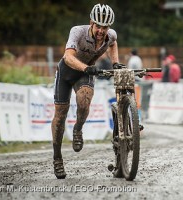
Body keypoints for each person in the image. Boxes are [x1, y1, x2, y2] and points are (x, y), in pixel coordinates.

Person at [51, 4, 122, 179]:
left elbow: (113, 44)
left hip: (86, 73)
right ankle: (57, 158)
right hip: (67, 72)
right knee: (60, 115)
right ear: (91, 22)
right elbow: (68, 56)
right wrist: (85, 67)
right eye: (98, 26)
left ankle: (78, 129)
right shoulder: (78, 31)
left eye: (105, 27)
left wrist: (115, 63)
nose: (101, 30)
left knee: (84, 100)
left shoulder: (110, 36)